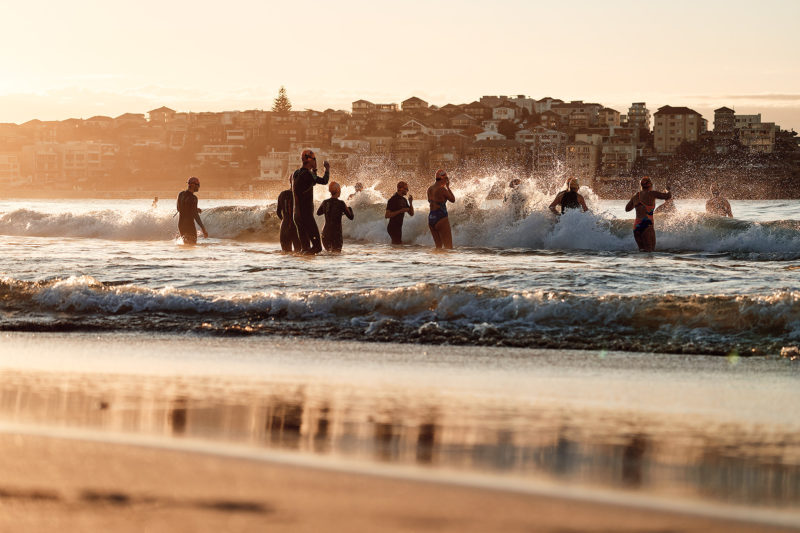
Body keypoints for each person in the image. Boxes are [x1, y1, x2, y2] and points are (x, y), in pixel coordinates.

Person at [292, 149, 329, 254]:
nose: (315, 161)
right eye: (314, 159)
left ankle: (302, 268)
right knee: (317, 247)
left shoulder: (296, 173)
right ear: (309, 160)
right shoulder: (308, 175)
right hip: (306, 215)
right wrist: (327, 169)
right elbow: (324, 181)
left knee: (305, 248)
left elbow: (310, 183)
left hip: (297, 215)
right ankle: (308, 269)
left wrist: (314, 170)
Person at [625, 176, 671, 252]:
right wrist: (667, 190)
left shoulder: (636, 196)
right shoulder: (652, 194)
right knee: (650, 251)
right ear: (650, 185)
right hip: (647, 225)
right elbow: (668, 196)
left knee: (642, 251)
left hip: (637, 226)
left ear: (641, 186)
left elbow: (627, 209)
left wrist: (637, 204)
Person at [317, 182, 354, 252]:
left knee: (328, 255)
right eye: (340, 190)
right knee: (336, 255)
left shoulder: (325, 202)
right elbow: (351, 217)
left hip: (325, 233)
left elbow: (318, 213)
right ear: (338, 190)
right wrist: (349, 209)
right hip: (336, 234)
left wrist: (328, 211)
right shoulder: (341, 203)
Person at [427, 169, 456, 249]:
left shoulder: (430, 189)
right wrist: (448, 187)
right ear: (444, 179)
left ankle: (437, 261)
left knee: (438, 247)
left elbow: (430, 201)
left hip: (431, 217)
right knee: (449, 247)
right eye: (446, 179)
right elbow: (453, 199)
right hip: (441, 217)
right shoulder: (442, 189)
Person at [176, 177, 208, 244]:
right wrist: (203, 228)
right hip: (189, 225)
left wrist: (195, 208)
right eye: (198, 185)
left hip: (181, 225)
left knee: (186, 246)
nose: (199, 187)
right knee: (192, 246)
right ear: (193, 185)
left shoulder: (181, 194)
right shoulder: (194, 198)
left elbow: (179, 209)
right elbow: (195, 215)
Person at [276, 174, 301, 252]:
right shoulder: (300, 195)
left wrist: (285, 220)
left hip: (284, 225)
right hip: (296, 226)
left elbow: (278, 212)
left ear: (290, 181)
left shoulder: (282, 194)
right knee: (299, 253)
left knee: (285, 253)